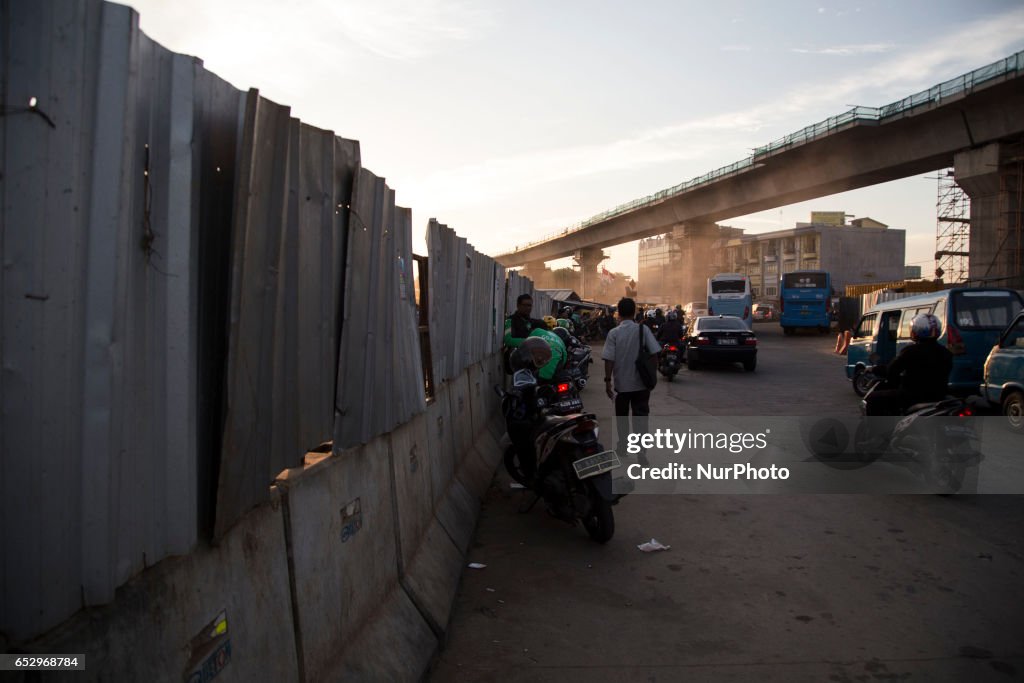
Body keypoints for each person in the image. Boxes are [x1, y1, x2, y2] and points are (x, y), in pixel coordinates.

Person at [602, 297, 661, 458]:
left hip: (622, 385)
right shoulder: (643, 330)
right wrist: (652, 376)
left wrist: (608, 382)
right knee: (641, 418)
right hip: (642, 385)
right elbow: (655, 353)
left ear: (618, 313)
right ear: (634, 312)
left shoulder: (614, 333)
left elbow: (609, 359)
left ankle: (623, 448)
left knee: (622, 419)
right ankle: (641, 452)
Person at [864, 313, 953, 416]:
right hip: (939, 396)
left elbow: (891, 370)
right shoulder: (945, 352)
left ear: (915, 331)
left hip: (912, 396)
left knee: (873, 398)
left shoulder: (910, 351)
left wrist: (874, 369)